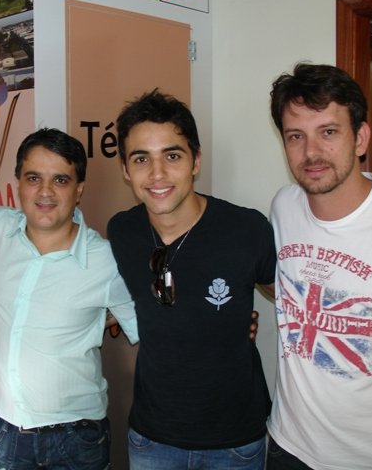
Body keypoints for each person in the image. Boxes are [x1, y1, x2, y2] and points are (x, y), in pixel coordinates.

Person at [266, 63, 372, 470]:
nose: (311, 153)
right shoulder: (284, 206)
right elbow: (285, 283)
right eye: (296, 136)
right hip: (288, 445)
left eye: (328, 132)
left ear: (360, 138)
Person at [107, 89, 276, 469]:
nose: (157, 174)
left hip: (236, 442)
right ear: (125, 169)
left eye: (172, 156)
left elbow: (286, 297)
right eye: (141, 159)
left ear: (196, 161)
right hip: (152, 439)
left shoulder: (247, 229)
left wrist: (234, 318)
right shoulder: (122, 231)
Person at [0, 128, 139, 469]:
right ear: (19, 183)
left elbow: (152, 325)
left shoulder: (106, 260)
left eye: (60, 180)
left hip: (77, 438)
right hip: (7, 431)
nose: (45, 192)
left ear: (79, 189)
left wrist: (223, 322)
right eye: (33, 178)